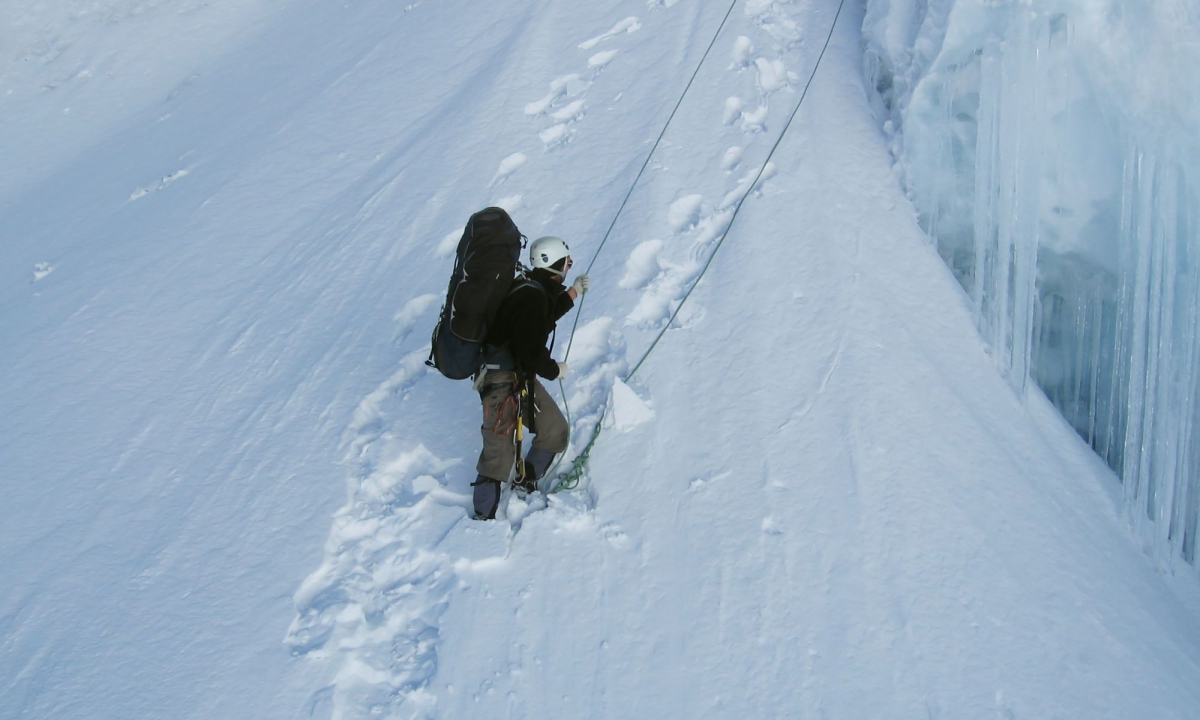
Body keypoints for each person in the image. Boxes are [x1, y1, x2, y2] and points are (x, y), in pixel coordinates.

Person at [471, 236, 590, 520]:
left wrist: (573, 293)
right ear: (554, 264)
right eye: (567, 262)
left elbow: (541, 319)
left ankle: (526, 480)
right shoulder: (532, 295)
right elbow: (530, 349)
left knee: (555, 429)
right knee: (499, 453)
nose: (569, 266)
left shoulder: (532, 288)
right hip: (500, 379)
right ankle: (482, 518)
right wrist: (554, 370)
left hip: (517, 375)